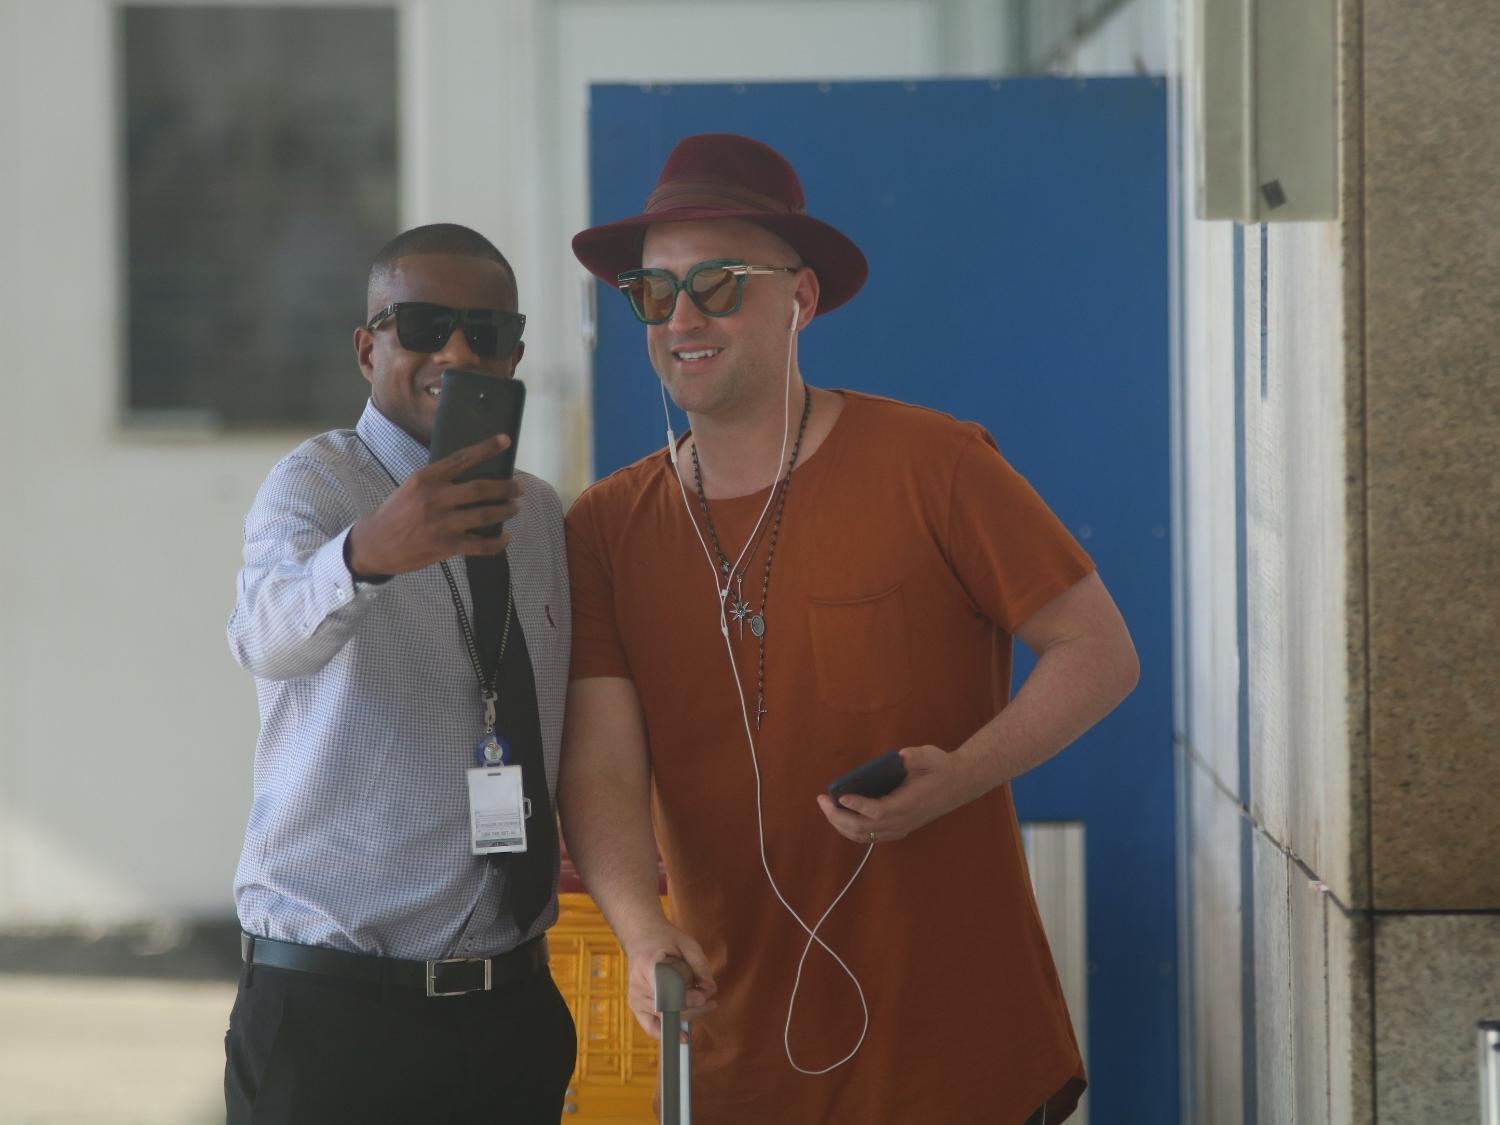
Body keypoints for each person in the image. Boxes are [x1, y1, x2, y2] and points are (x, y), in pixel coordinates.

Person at [560, 135, 1139, 1124]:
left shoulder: (935, 463)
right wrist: (638, 928)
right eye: (654, 294)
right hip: (738, 1059)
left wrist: (960, 776)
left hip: (960, 1058)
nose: (684, 318)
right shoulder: (607, 526)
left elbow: (1099, 652)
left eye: (718, 283)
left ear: (802, 298)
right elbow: (604, 769)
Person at [224, 223, 574, 1124]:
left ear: (516, 353)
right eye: (421, 324)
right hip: (336, 1011)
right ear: (367, 345)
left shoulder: (538, 516)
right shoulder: (317, 487)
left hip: (511, 1010)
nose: (455, 352)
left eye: (486, 332)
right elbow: (265, 636)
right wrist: (367, 555)